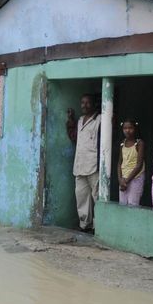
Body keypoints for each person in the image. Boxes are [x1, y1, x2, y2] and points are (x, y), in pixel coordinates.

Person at [66, 94, 101, 233]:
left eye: (88, 103)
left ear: (93, 104)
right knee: (81, 196)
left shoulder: (99, 120)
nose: (84, 105)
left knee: (97, 197)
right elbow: (74, 136)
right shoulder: (80, 121)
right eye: (82, 102)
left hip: (94, 165)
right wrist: (70, 119)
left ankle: (99, 226)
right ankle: (85, 224)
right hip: (80, 165)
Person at [117, 119, 145, 206]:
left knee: (133, 204)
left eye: (130, 128)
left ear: (135, 129)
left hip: (135, 177)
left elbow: (139, 165)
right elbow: (119, 163)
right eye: (125, 128)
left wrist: (126, 181)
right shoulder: (122, 143)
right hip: (123, 178)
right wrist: (120, 180)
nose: (127, 130)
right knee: (122, 204)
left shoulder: (139, 143)